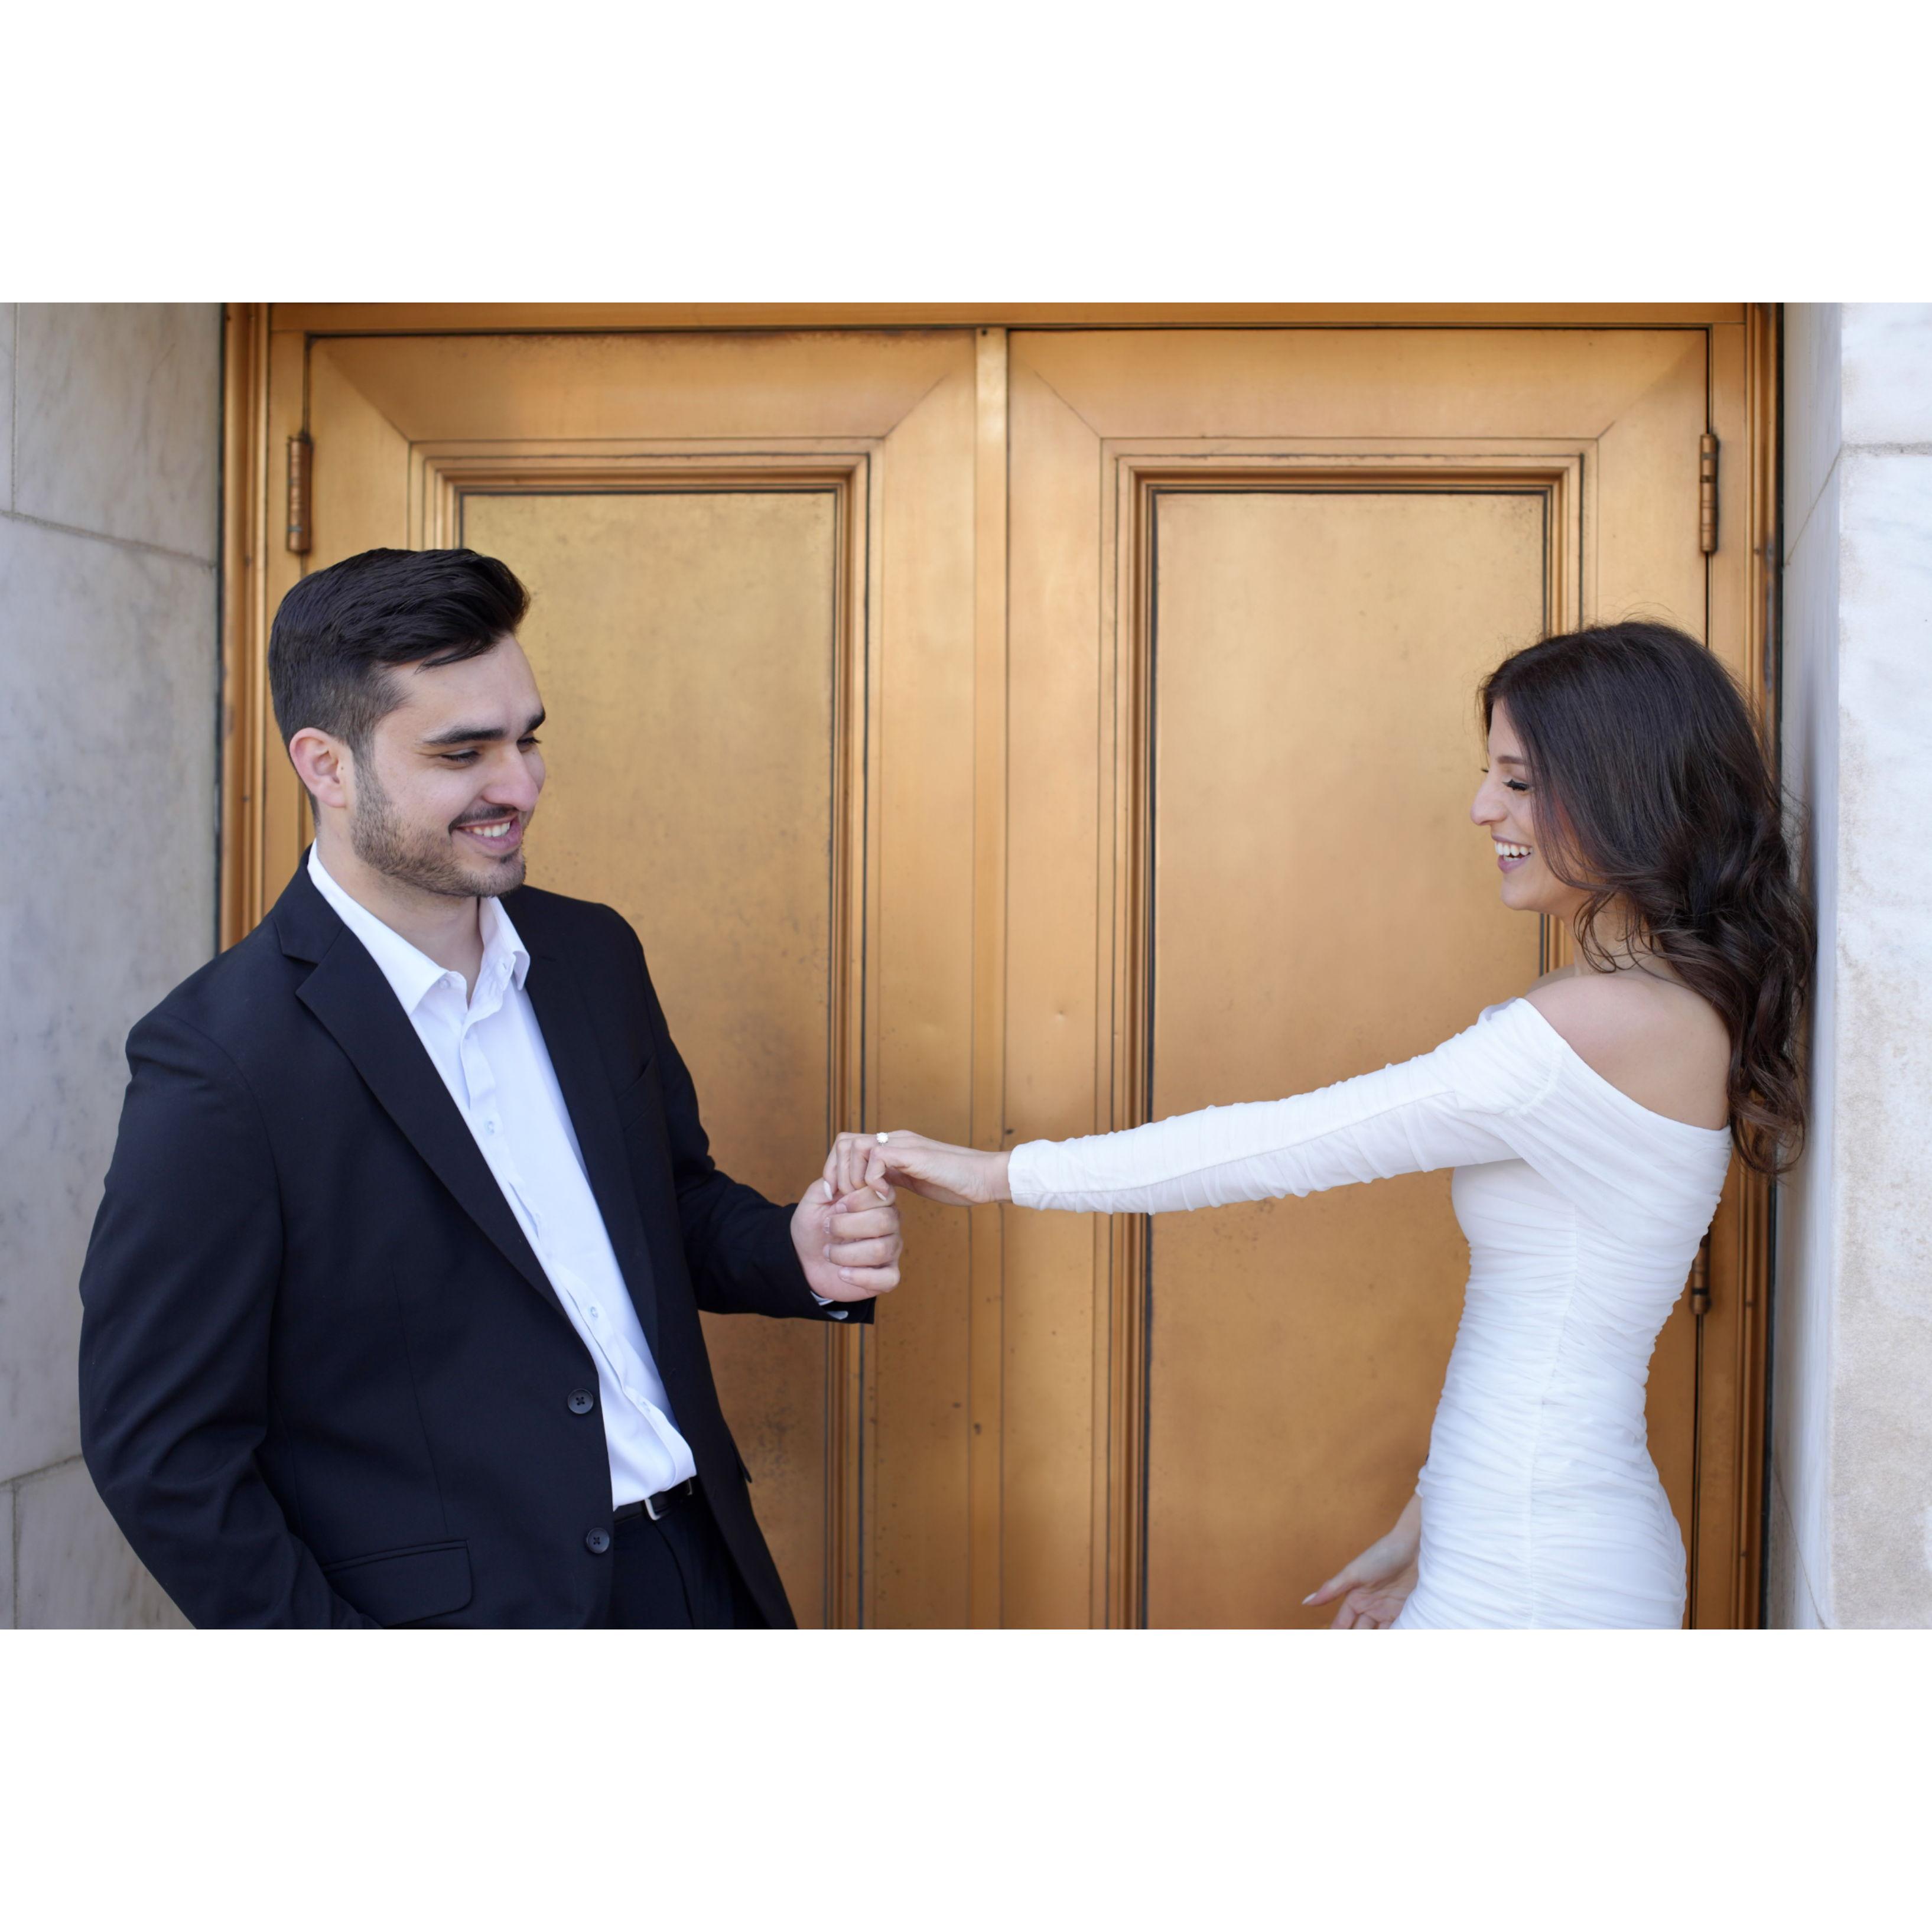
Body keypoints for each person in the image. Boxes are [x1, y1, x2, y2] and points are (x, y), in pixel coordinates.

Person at [823, 622, 1812, 1629]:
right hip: (1520, 1542)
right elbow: (1538, 1327)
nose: (1482, 807)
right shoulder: (1650, 1004)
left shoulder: (1596, 1023)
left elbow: (1285, 1142)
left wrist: (999, 1174)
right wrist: (1426, 1527)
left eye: (1516, 780)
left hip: (1537, 1573)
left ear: (1621, 788)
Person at [79, 547, 901, 1628]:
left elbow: (668, 1203)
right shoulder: (218, 1060)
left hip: (701, 1570)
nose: (518, 784)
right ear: (325, 765)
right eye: (463, 752)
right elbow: (160, 1449)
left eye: (527, 738)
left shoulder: (591, 955)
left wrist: (793, 1248)